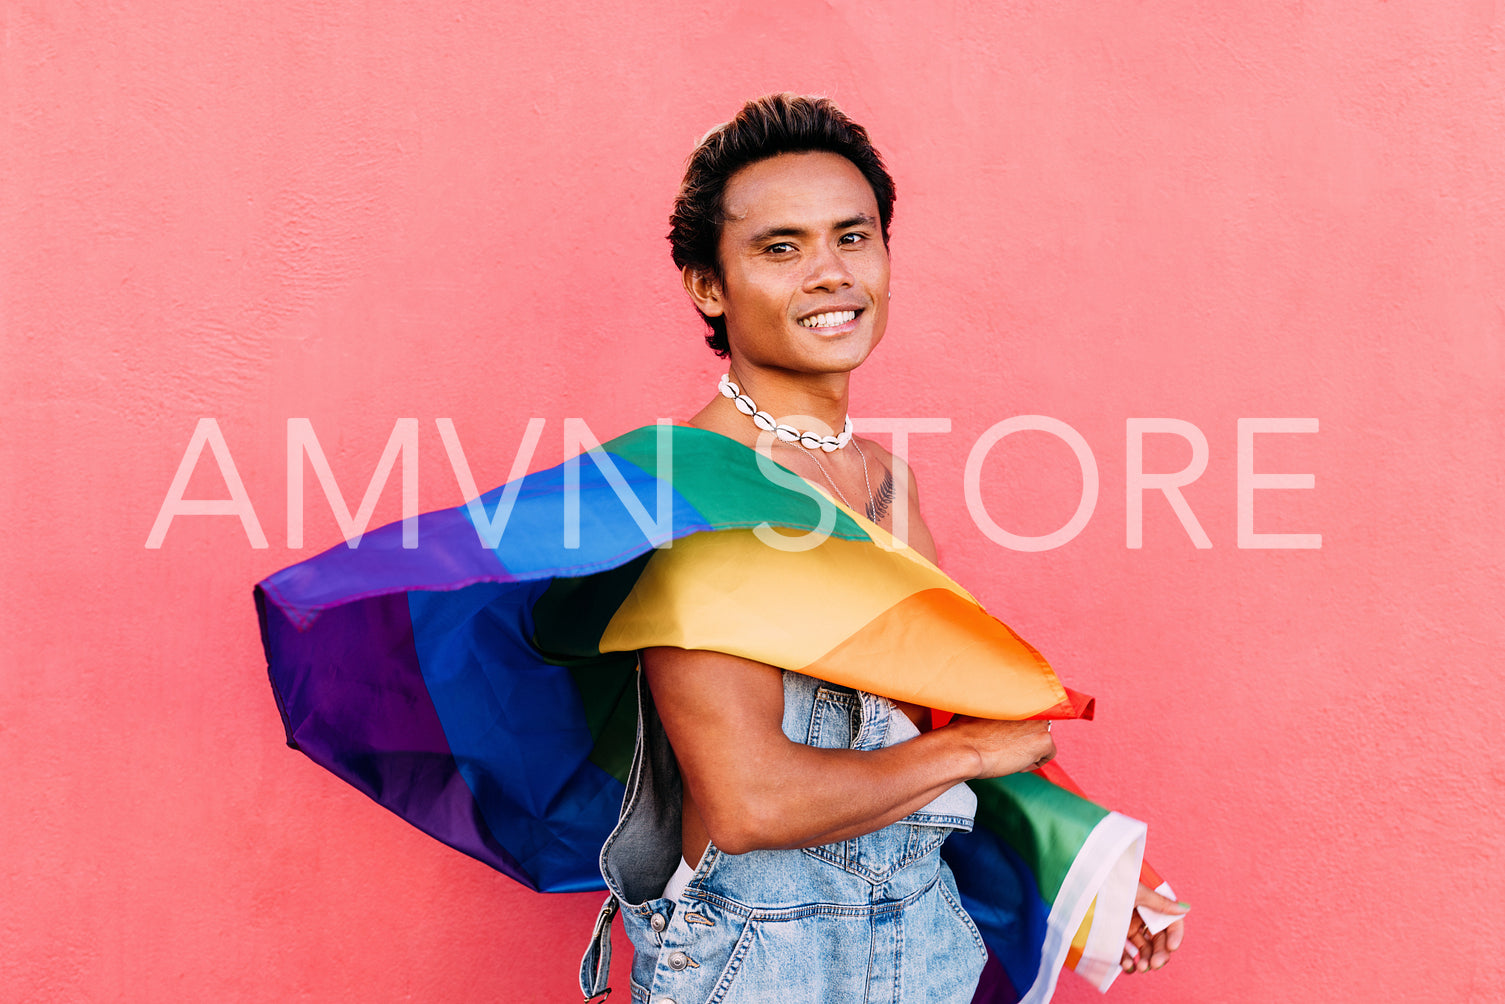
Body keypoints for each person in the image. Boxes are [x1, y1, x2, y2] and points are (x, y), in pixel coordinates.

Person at [580, 94, 1187, 1004]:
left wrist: (1084, 871)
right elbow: (752, 805)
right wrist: (975, 755)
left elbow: (942, 712)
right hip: (761, 957)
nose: (828, 273)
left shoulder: (888, 485)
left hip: (922, 931)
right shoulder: (689, 490)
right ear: (709, 285)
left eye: (851, 237)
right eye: (780, 248)